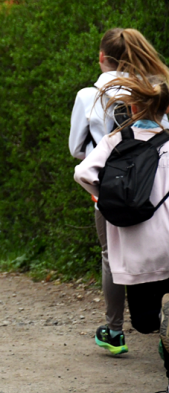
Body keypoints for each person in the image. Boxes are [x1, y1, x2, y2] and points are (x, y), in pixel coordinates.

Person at [69, 27, 169, 356]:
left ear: (101, 57)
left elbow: (76, 151)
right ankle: (162, 327)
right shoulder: (157, 87)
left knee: (111, 257)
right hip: (158, 187)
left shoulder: (89, 95)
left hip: (111, 189)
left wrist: (107, 173)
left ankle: (114, 330)